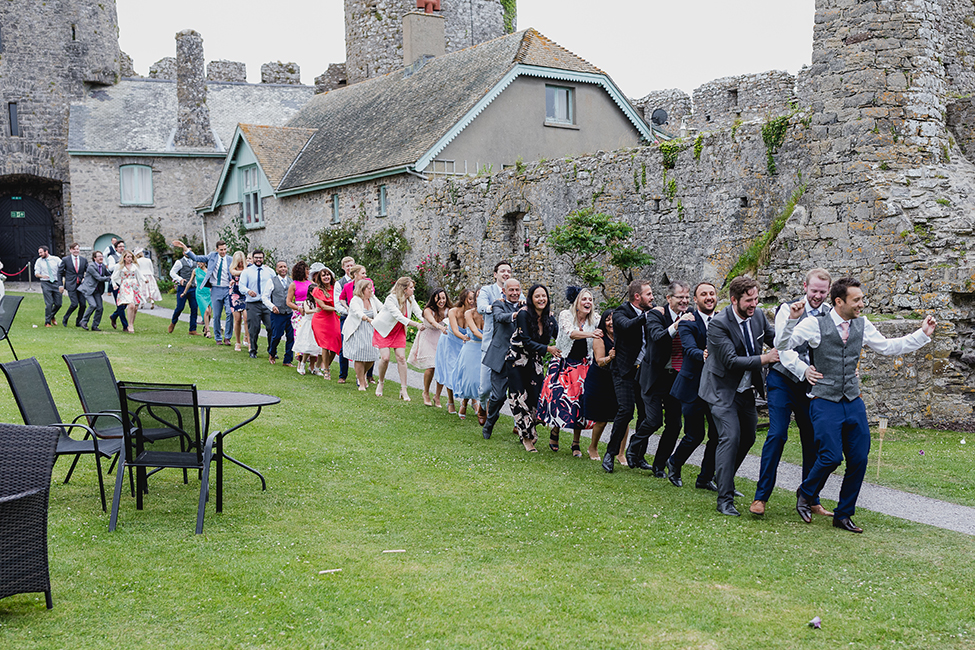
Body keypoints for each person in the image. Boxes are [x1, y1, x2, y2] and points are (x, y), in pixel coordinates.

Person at [778, 278, 936, 533]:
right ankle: (806, 493)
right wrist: (802, 367)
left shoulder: (862, 324)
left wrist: (922, 335)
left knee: (860, 457)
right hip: (824, 401)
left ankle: (843, 514)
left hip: (853, 401)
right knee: (830, 456)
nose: (862, 304)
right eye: (857, 300)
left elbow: (886, 347)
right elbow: (783, 346)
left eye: (862, 299)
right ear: (839, 301)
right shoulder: (813, 324)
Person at [751, 268, 834, 518]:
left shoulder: (830, 313)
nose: (817, 296)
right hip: (783, 380)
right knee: (777, 435)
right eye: (814, 290)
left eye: (822, 291)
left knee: (813, 439)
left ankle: (810, 498)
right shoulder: (788, 309)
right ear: (805, 286)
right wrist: (803, 369)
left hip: (811, 386)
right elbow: (782, 348)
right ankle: (761, 497)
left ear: (829, 291)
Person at [699, 276, 779, 517]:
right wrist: (766, 359)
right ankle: (725, 499)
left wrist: (794, 326)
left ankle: (722, 477)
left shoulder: (758, 316)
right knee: (730, 437)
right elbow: (731, 361)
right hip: (721, 390)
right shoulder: (718, 324)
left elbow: (774, 338)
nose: (754, 304)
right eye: (748, 300)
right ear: (734, 300)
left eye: (756, 299)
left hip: (745, 390)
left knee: (749, 437)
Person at [628, 281, 693, 474]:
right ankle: (634, 445)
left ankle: (659, 465)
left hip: (676, 377)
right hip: (654, 376)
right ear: (669, 298)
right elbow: (658, 337)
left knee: (674, 425)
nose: (684, 301)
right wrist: (678, 324)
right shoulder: (656, 314)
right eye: (680, 297)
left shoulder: (692, 316)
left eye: (687, 297)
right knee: (654, 419)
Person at [665, 281, 720, 491]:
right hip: (692, 386)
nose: (709, 297)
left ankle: (705, 478)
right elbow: (688, 349)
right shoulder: (688, 321)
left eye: (712, 293)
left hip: (715, 387)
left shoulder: (722, 320)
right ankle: (674, 463)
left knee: (716, 434)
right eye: (703, 294)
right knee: (694, 434)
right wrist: (703, 354)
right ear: (695, 300)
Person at [538, 286, 601, 457]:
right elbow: (570, 333)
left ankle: (576, 443)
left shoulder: (595, 318)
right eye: (584, 299)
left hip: (583, 365)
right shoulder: (566, 314)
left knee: (580, 403)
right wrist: (592, 334)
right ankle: (555, 430)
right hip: (563, 362)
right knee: (559, 398)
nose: (588, 302)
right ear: (577, 302)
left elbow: (607, 326)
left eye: (590, 299)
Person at [602, 280, 654, 473]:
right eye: (649, 294)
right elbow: (627, 326)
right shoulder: (621, 312)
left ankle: (638, 455)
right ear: (637, 297)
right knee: (625, 410)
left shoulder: (652, 311)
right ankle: (610, 454)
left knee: (646, 414)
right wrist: (647, 315)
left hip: (645, 371)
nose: (652, 297)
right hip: (624, 370)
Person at [507, 284, 560, 452]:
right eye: (537, 296)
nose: (541, 299)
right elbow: (526, 340)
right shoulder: (523, 314)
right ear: (531, 298)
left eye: (543, 296)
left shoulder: (550, 319)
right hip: (517, 360)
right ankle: (527, 437)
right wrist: (548, 349)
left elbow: (561, 337)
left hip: (535, 362)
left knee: (536, 398)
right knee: (519, 398)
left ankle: (530, 429)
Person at [481, 278, 522, 439]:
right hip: (500, 358)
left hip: (519, 360)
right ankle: (490, 422)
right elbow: (499, 317)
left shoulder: (525, 306)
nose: (514, 293)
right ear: (504, 291)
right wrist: (515, 315)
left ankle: (523, 431)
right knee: (498, 396)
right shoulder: (499, 305)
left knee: (520, 397)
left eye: (517, 290)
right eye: (511, 290)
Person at [172, 239, 233, 345]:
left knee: (229, 313)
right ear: (216, 249)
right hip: (215, 289)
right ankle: (218, 338)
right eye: (221, 250)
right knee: (217, 315)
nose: (223, 252)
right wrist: (184, 248)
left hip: (228, 289)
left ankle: (227, 337)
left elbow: (241, 264)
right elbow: (196, 258)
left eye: (225, 249)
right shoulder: (212, 256)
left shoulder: (230, 259)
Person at [476, 261, 515, 425]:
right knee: (485, 388)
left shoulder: (515, 292)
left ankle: (519, 423)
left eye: (508, 271)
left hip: (511, 348)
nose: (506, 274)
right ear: (495, 274)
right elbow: (481, 308)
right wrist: (496, 306)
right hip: (491, 345)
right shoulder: (487, 290)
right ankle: (483, 405)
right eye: (502, 271)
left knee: (515, 388)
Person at [373, 277, 424, 400]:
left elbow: (419, 313)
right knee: (385, 358)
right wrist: (416, 324)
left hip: (399, 330)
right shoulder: (391, 299)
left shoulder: (411, 299)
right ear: (404, 289)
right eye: (411, 287)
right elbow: (398, 316)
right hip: (384, 330)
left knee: (401, 358)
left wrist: (427, 322)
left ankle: (404, 389)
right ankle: (381, 382)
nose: (413, 289)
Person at [583, 309, 619, 461]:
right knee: (602, 418)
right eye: (608, 320)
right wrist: (610, 357)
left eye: (614, 319)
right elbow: (599, 361)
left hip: (617, 379)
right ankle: (593, 447)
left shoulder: (621, 336)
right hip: (600, 379)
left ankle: (620, 453)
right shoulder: (600, 337)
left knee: (622, 417)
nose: (611, 323)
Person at [407, 288, 450, 406]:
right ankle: (425, 393)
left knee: (440, 368)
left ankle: (437, 396)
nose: (441, 301)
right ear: (434, 298)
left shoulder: (448, 310)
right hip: (428, 338)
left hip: (441, 340)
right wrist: (441, 327)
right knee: (431, 366)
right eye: (439, 298)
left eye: (443, 298)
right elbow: (432, 322)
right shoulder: (428, 310)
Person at [435, 289, 473, 413]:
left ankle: (472, 401)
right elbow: (456, 331)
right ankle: (450, 401)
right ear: (463, 300)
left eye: (474, 299)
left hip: (464, 345)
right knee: (451, 371)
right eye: (470, 299)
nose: (473, 301)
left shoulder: (473, 313)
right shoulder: (453, 311)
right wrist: (464, 337)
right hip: (449, 343)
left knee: (468, 373)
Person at [342, 278, 380, 390]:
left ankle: (362, 374)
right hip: (357, 329)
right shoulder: (355, 300)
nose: (372, 290)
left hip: (371, 329)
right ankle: (361, 383)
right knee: (359, 356)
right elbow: (357, 312)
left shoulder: (372, 299)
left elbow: (382, 308)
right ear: (363, 289)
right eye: (369, 288)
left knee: (372, 356)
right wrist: (367, 318)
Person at [452, 299, 485, 417]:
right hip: (471, 348)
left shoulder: (491, 314)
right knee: (469, 379)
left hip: (485, 349)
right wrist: (490, 341)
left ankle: (482, 407)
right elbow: (475, 331)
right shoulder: (469, 313)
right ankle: (465, 403)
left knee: (482, 380)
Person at [311, 266, 342, 377]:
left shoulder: (335, 288)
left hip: (333, 319)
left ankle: (325, 366)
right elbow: (323, 306)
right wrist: (339, 309)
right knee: (325, 345)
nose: (326, 277)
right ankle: (326, 371)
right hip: (321, 319)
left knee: (336, 343)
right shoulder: (317, 290)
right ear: (320, 278)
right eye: (323, 275)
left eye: (327, 274)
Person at [262, 260, 295, 366]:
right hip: (277, 313)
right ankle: (272, 353)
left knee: (291, 337)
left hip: (289, 313)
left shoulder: (291, 282)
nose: (283, 269)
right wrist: (272, 307)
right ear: (276, 269)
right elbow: (265, 297)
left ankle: (288, 360)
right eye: (280, 267)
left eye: (285, 266)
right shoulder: (272, 281)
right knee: (276, 336)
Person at [287, 261, 315, 374]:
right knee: (300, 335)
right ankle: (300, 361)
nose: (308, 272)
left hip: (310, 310)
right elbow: (288, 301)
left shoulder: (311, 283)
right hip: (299, 312)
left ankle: (312, 364)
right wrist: (298, 308)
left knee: (311, 335)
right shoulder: (294, 284)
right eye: (306, 270)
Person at [292, 276, 323, 376]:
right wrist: (315, 310)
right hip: (308, 324)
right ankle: (302, 364)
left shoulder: (319, 301)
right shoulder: (307, 302)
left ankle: (315, 367)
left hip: (318, 325)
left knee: (319, 348)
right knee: (307, 346)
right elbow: (307, 311)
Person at [111, 250, 144, 333]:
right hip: (125, 286)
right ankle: (129, 325)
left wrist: (145, 280)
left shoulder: (135, 266)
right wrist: (115, 284)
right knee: (131, 305)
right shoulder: (120, 266)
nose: (130, 259)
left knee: (135, 307)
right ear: (124, 258)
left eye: (131, 257)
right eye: (128, 257)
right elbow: (113, 277)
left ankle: (131, 323)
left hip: (135, 286)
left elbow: (140, 275)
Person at [78, 250, 113, 331]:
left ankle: (95, 326)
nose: (101, 258)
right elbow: (99, 278)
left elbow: (108, 274)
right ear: (94, 258)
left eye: (102, 256)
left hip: (97, 290)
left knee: (100, 308)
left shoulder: (103, 266)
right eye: (99, 256)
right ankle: (83, 321)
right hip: (88, 289)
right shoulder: (91, 267)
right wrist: (110, 278)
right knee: (93, 305)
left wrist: (116, 276)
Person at [336, 256, 356, 383]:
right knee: (344, 347)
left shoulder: (362, 280)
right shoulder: (340, 283)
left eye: (351, 265)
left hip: (362, 319)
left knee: (365, 346)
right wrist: (350, 311)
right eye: (347, 266)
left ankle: (368, 375)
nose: (350, 268)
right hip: (346, 317)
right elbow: (337, 304)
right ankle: (343, 375)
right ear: (343, 268)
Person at [168, 254, 200, 335]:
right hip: (182, 287)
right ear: (183, 253)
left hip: (193, 287)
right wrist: (179, 279)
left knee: (194, 308)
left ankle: (192, 329)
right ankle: (173, 322)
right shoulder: (179, 262)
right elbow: (172, 272)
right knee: (180, 307)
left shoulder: (195, 261)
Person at [57, 242, 87, 327]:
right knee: (74, 304)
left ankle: (79, 321)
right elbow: (59, 273)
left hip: (81, 285)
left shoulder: (83, 260)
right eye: (74, 249)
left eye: (77, 249)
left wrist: (85, 278)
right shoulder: (66, 260)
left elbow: (88, 271)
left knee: (83, 305)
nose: (76, 251)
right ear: (70, 250)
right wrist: (60, 285)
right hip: (71, 284)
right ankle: (65, 317)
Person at [34, 245, 63, 327]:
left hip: (56, 282)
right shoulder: (39, 261)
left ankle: (51, 315)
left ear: (46, 251)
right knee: (49, 303)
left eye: (41, 252)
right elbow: (36, 273)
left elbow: (63, 268)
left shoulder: (56, 259)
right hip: (45, 283)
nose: (40, 254)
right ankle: (47, 322)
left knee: (58, 304)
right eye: (39, 253)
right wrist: (42, 276)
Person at [228, 251, 250, 351]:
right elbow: (234, 273)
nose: (240, 263)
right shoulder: (233, 268)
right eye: (239, 262)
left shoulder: (248, 267)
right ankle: (238, 342)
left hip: (245, 294)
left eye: (242, 261)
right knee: (237, 319)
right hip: (235, 295)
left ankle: (249, 341)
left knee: (246, 318)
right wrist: (247, 270)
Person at [105, 240, 129, 331]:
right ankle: (125, 326)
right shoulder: (112, 257)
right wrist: (120, 264)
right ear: (115, 248)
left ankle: (114, 316)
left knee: (125, 304)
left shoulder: (127, 257)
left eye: (123, 246)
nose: (122, 248)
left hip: (126, 283)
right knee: (120, 305)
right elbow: (110, 268)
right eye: (120, 246)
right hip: (116, 283)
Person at [194, 261, 212, 338]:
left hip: (208, 293)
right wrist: (184, 292)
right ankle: (208, 331)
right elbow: (190, 281)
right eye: (198, 262)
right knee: (206, 311)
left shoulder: (209, 271)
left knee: (210, 313)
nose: (199, 263)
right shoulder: (195, 271)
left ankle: (205, 327)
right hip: (200, 293)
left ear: (205, 263)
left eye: (201, 262)